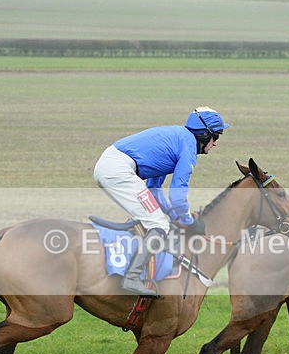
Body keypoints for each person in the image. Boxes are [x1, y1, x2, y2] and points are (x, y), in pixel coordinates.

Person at [94, 106, 230, 296]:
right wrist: (188, 221)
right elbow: (177, 195)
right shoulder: (188, 146)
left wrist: (174, 215)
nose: (215, 143)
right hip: (118, 170)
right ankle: (132, 278)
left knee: (157, 219)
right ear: (205, 135)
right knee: (158, 223)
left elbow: (154, 190)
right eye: (216, 136)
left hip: (110, 166)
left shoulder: (179, 138)